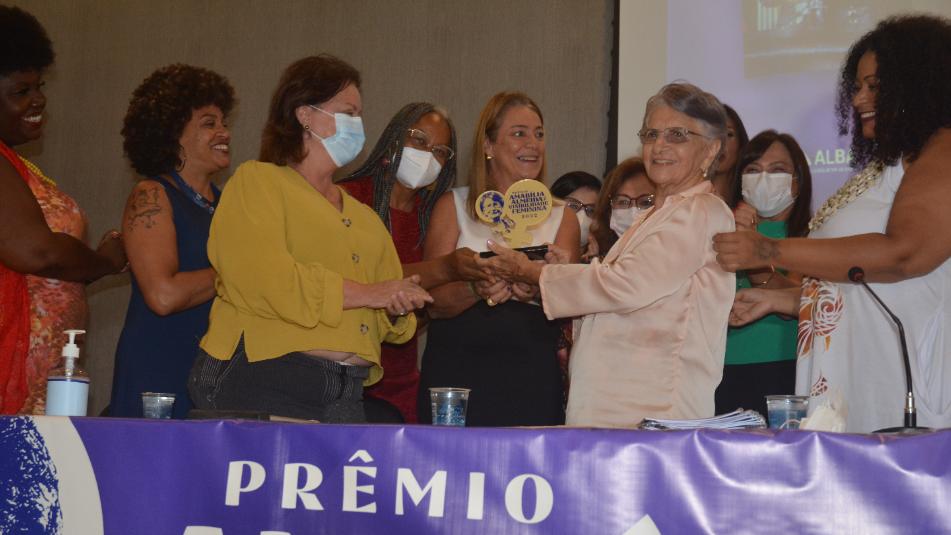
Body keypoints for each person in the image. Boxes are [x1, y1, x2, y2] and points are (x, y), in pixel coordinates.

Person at [715, 15, 951, 432]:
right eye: (857, 86)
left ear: (920, 84)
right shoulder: (891, 163)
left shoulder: (943, 149)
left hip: (907, 384)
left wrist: (769, 249)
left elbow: (905, 255)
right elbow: (866, 288)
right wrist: (782, 301)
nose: (858, 99)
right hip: (858, 376)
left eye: (874, 86)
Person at [188, 55, 431, 422]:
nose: (357, 125)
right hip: (266, 377)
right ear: (304, 114)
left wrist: (397, 307)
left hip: (347, 392)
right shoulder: (258, 182)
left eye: (359, 115)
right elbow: (265, 279)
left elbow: (387, 315)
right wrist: (371, 293)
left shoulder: (365, 218)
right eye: (347, 113)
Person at [482, 82, 735, 428]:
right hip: (614, 411)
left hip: (655, 415)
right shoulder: (656, 215)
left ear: (710, 150)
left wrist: (533, 273)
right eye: (651, 134)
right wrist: (548, 280)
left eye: (677, 135)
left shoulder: (702, 210)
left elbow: (625, 286)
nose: (659, 146)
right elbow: (615, 303)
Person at [417, 91, 580, 426]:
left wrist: (537, 288)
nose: (533, 144)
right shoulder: (453, 206)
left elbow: (572, 306)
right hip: (457, 370)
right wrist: (477, 288)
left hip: (531, 375)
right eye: (519, 133)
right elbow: (431, 302)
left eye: (539, 134)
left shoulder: (562, 216)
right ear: (488, 145)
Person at [0, 6, 126, 415]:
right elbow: (37, 251)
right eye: (21, 91)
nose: (38, 99)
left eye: (39, 87)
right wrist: (105, 262)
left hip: (40, 377)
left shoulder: (16, 165)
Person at [110, 65, 235, 419]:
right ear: (172, 134)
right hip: (159, 371)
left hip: (214, 376)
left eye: (224, 122)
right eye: (209, 123)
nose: (224, 132)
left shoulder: (230, 205)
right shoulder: (151, 195)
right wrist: (237, 272)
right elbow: (163, 296)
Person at [337, 102, 463, 423]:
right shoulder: (347, 199)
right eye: (419, 140)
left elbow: (430, 306)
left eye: (440, 151)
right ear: (393, 139)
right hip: (344, 371)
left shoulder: (433, 217)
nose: (427, 156)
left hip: (403, 378)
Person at [714, 130, 812, 417]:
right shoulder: (721, 232)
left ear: (797, 181)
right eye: (753, 170)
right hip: (718, 369)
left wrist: (753, 252)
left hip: (785, 368)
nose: (764, 178)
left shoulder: (813, 235)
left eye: (777, 170)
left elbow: (797, 299)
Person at [588, 157, 655, 261]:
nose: (633, 211)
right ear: (608, 210)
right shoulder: (595, 261)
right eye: (623, 202)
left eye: (645, 202)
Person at [551, 171, 601, 258]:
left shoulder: (605, 262)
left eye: (591, 210)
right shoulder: (535, 253)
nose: (582, 217)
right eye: (573, 206)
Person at [711, 104, 749, 206]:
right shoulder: (681, 200)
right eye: (712, 134)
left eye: (729, 134)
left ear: (740, 144)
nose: (720, 142)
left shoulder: (751, 201)